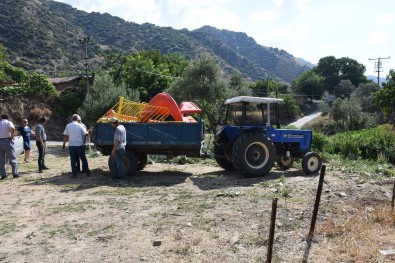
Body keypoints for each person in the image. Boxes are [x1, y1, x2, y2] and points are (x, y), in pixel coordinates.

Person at [62, 114, 90, 178]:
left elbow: (65, 135)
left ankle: (74, 174)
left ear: (72, 119)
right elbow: (85, 133)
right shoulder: (80, 125)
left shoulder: (68, 125)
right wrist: (88, 131)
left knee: (73, 160)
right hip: (79, 145)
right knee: (83, 159)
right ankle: (87, 171)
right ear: (77, 119)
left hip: (72, 145)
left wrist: (64, 144)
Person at [0, 114, 19, 179]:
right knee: (12, 158)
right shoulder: (8, 122)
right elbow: (13, 128)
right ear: (7, 118)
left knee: (1, 160)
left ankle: (3, 175)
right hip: (7, 141)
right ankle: (15, 174)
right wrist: (12, 136)